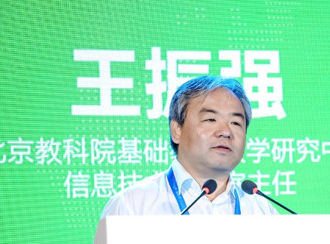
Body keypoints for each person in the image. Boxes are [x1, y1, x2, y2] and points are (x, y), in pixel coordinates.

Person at [101, 75, 278, 216]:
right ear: (177, 130)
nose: (225, 131)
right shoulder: (132, 205)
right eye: (210, 119)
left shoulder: (262, 210)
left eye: (236, 123)